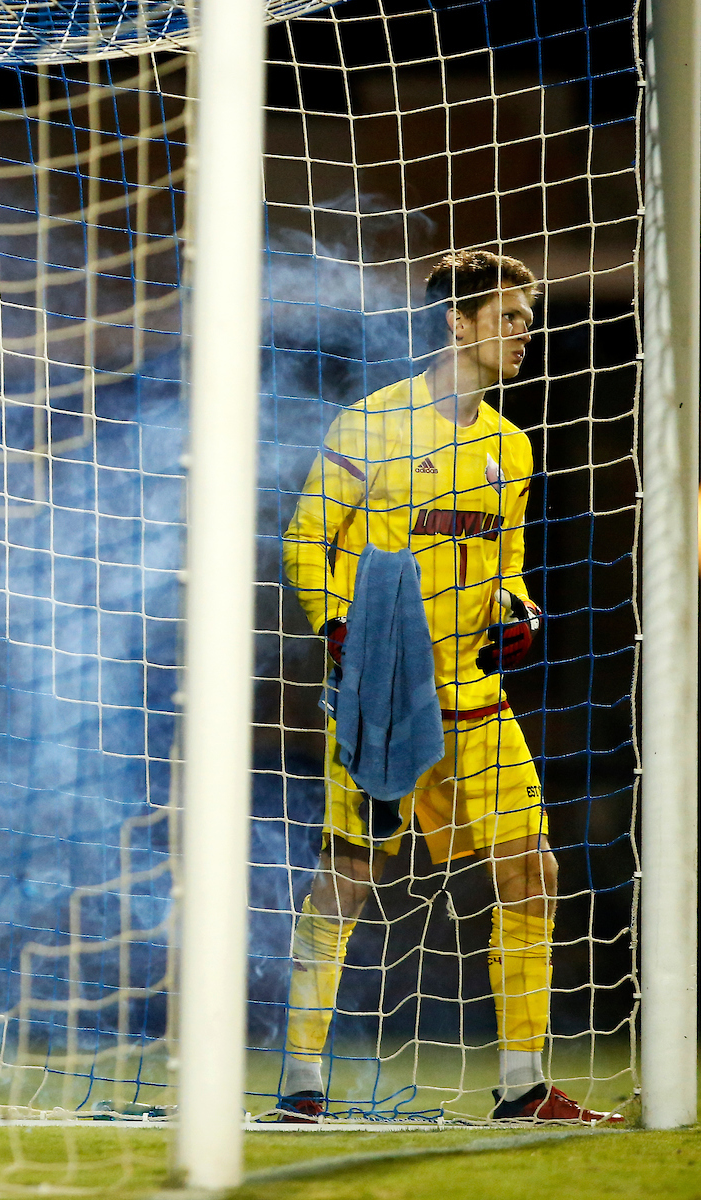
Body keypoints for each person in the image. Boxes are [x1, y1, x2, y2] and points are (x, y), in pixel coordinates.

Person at [280, 249, 623, 1124]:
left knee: (533, 871)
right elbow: (304, 540)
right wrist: (339, 626)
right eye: (508, 317)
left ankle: (521, 1084)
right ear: (456, 323)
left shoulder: (512, 446)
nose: (524, 333)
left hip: (474, 696)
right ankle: (302, 1082)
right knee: (349, 877)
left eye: (527, 318)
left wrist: (519, 610)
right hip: (382, 700)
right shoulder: (371, 426)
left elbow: (508, 568)